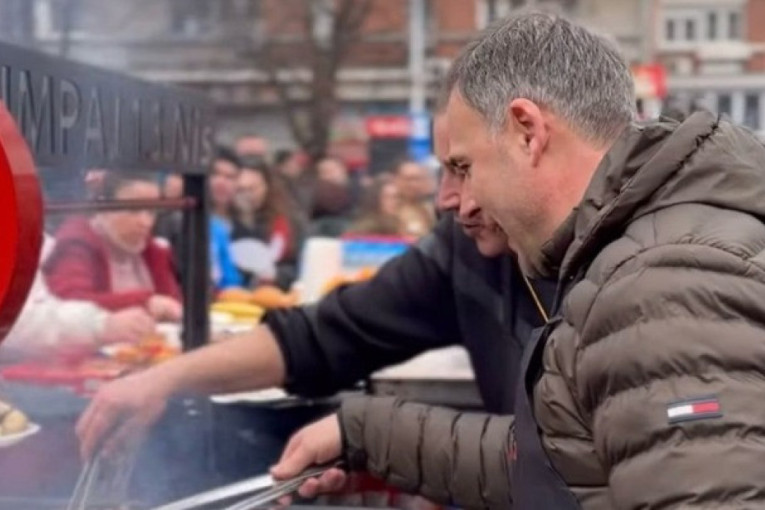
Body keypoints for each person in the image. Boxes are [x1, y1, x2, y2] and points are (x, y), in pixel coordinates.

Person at [279, 11, 765, 509]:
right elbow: (563, 463)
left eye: (466, 168)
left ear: (527, 131)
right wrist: (367, 435)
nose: (461, 203)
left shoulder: (658, 286)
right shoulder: (635, 261)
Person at [76, 97, 555, 468]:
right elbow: (325, 334)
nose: (446, 199)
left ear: (528, 138)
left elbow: (568, 462)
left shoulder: (618, 274)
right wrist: (163, 379)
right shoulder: (466, 251)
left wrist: (376, 436)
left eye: (462, 168)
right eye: (442, 170)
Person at [45, 171, 182, 322]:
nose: (145, 222)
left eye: (151, 211)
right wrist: (145, 302)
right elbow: (69, 304)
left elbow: (175, 306)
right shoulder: (76, 244)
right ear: (104, 205)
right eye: (133, 209)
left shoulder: (155, 252)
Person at [4, 235, 157, 357]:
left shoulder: (41, 242)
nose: (143, 221)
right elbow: (15, 321)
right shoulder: (76, 239)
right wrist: (100, 324)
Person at [232, 160, 299, 288]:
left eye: (252, 188)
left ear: (267, 187)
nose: (246, 195)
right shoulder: (225, 222)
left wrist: (276, 275)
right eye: (240, 189)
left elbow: (296, 266)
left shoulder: (284, 221)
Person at [394, 160, 436, 238]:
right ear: (397, 180)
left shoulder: (430, 210)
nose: (413, 184)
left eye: (417, 179)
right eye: (408, 179)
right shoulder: (388, 208)